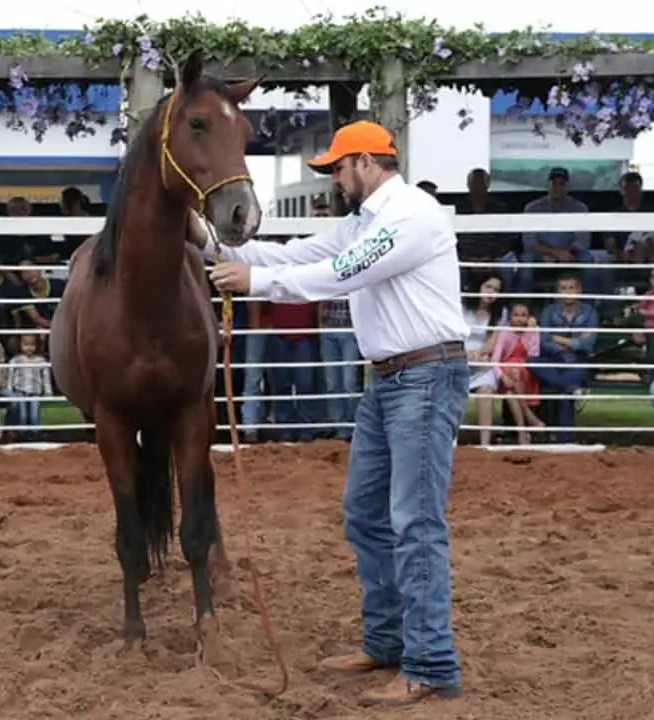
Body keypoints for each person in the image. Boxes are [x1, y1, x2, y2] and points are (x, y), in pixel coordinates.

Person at [201, 120, 469, 708]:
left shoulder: (410, 216)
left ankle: (428, 661)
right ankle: (391, 643)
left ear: (369, 163)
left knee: (413, 521)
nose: (335, 179)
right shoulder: (367, 221)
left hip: (419, 378)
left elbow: (339, 274)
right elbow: (304, 253)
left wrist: (256, 281)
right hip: (398, 377)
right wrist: (211, 243)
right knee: (369, 515)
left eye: (340, 169)